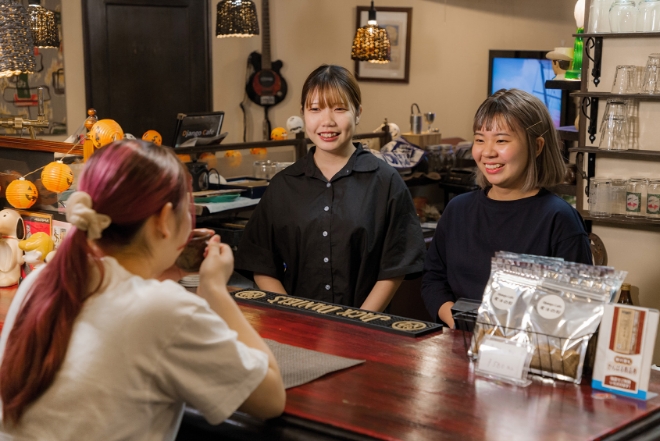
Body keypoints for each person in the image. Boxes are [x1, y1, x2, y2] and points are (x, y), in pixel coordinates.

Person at [0, 140, 285, 440]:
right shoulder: (164, 309)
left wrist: (158, 271)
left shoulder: (43, 279)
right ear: (163, 220)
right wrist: (214, 289)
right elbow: (270, 398)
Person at [235, 65, 425, 312]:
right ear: (303, 114)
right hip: (298, 330)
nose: (327, 121)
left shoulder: (386, 181)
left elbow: (396, 266)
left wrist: (359, 322)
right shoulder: (284, 184)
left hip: (367, 330)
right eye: (315, 109)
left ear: (357, 113)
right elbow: (261, 263)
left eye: (339, 109)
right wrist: (294, 314)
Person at [421, 89, 592, 328]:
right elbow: (433, 279)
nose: (488, 152)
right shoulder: (457, 209)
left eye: (501, 140)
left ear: (537, 146)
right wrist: (458, 321)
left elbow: (577, 306)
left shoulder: (559, 218)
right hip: (458, 343)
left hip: (528, 356)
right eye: (480, 139)